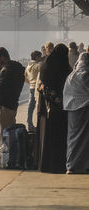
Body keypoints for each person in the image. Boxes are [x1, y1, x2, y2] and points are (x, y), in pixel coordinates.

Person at [39, 43, 71, 174]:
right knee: (61, 137)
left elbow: (43, 86)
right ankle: (60, 165)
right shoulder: (64, 66)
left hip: (49, 107)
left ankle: (48, 165)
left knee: (50, 137)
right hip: (62, 107)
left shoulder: (46, 65)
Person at [0, 47, 26, 166]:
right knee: (10, 135)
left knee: (1, 136)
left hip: (2, 106)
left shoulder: (5, 70)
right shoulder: (19, 68)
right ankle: (11, 158)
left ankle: (4, 161)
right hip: (13, 105)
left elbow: (0, 89)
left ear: (2, 57)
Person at [64, 52, 89, 175]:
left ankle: (71, 165)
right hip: (85, 109)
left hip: (72, 110)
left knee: (72, 138)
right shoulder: (86, 74)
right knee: (85, 139)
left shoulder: (71, 76)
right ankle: (85, 165)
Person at [24, 50, 43, 133]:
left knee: (31, 107)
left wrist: (30, 83)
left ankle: (30, 124)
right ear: (36, 57)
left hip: (31, 87)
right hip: (37, 88)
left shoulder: (28, 66)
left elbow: (24, 77)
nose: (41, 58)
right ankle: (33, 125)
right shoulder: (38, 66)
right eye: (40, 56)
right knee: (38, 107)